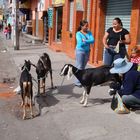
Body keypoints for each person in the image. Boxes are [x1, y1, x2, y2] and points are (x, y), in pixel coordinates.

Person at [75, 20, 95, 87]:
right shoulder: (78, 33)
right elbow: (80, 43)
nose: (87, 27)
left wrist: (85, 41)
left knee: (83, 66)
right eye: (86, 26)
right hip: (80, 51)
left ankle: (81, 79)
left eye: (87, 26)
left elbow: (93, 40)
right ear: (81, 26)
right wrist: (88, 41)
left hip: (87, 51)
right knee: (79, 66)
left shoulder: (89, 33)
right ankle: (77, 82)